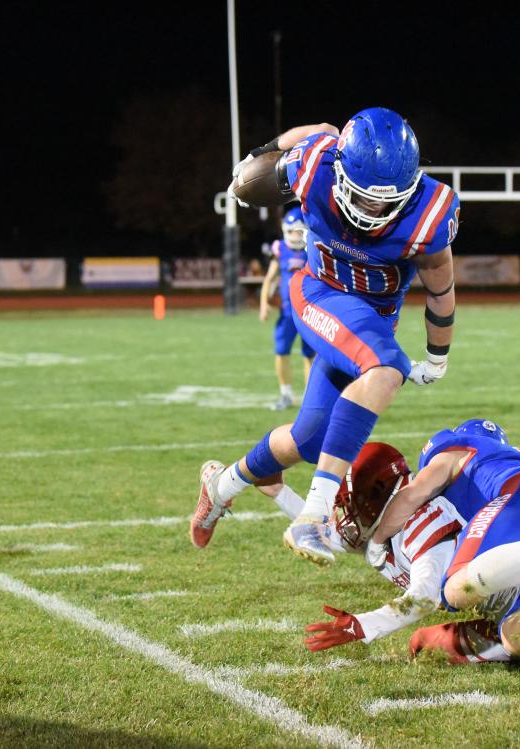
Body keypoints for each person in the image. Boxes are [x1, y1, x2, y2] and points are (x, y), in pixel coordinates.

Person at [192, 107, 460, 566]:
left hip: (368, 323)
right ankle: (313, 515)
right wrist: (263, 154)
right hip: (318, 294)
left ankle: (221, 485)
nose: (374, 209)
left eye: (386, 200)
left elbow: (441, 289)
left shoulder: (429, 213)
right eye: (365, 196)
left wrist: (439, 354)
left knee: (309, 438)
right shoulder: (315, 163)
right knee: (386, 367)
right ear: (340, 173)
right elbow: (262, 170)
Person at [255, 440, 520, 662]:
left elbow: (422, 597)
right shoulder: (387, 526)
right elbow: (331, 536)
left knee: (462, 609)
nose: (338, 519)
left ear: (372, 500)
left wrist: (366, 625)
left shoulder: (419, 526)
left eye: (345, 507)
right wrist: (277, 492)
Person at [258, 205, 315, 410]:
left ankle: (310, 399)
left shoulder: (314, 248)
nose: (294, 235)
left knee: (310, 355)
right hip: (287, 313)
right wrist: (264, 304)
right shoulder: (280, 249)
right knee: (281, 352)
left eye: (298, 230)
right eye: (291, 231)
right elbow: (268, 280)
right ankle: (286, 394)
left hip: (310, 313)